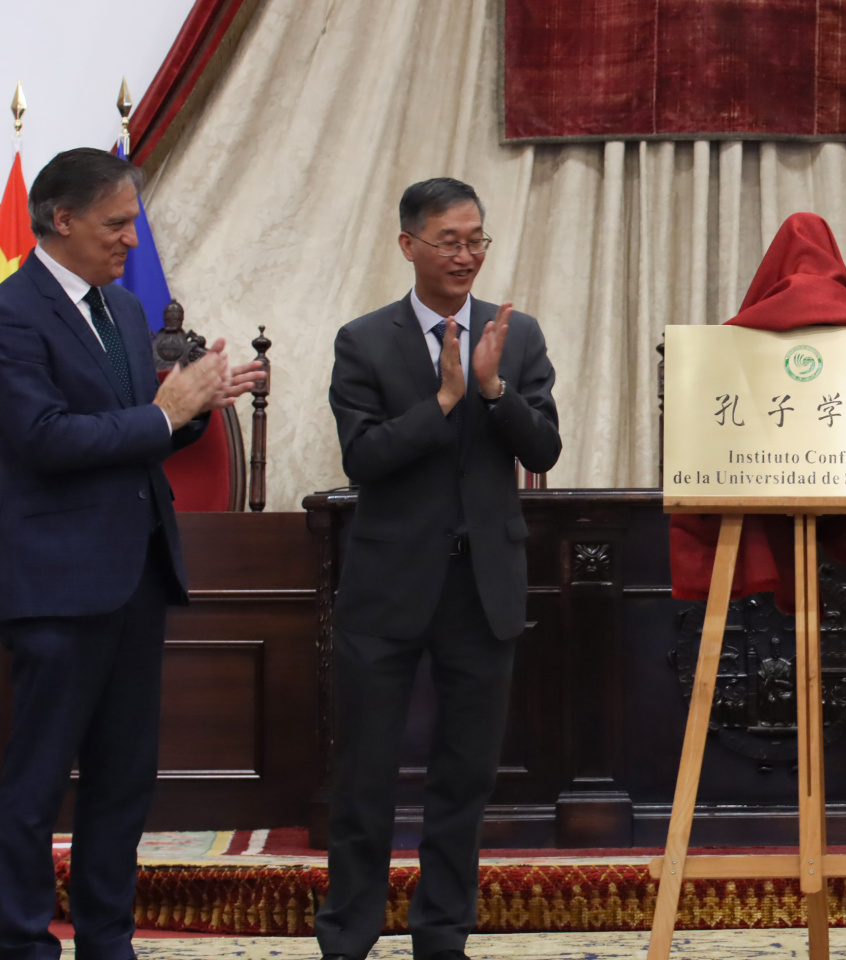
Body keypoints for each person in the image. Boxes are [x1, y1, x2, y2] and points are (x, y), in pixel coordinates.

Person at [0, 147, 262, 960]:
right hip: (56, 585)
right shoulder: (12, 312)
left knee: (122, 781)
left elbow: (135, 433)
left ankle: (108, 941)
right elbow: (43, 438)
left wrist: (194, 408)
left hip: (137, 576)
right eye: (116, 224)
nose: (131, 241)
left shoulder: (118, 307)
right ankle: (22, 942)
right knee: (37, 783)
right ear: (61, 219)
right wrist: (162, 414)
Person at [316, 178, 561, 960]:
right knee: (364, 777)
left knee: (465, 778)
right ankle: (348, 935)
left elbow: (544, 448)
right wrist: (445, 402)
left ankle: (442, 936)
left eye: (475, 240)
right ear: (409, 245)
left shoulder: (516, 335)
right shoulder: (364, 341)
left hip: (483, 588)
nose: (465, 255)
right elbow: (363, 458)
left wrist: (492, 390)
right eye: (449, 241)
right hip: (388, 587)